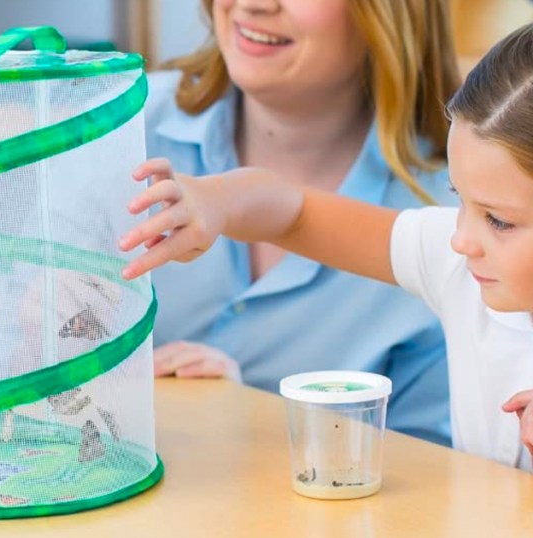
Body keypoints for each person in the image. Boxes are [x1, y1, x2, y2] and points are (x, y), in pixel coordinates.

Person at [120, 23, 533, 470]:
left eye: (499, 220)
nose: (462, 238)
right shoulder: (450, 264)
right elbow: (296, 212)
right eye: (459, 200)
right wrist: (217, 200)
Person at [145, 0, 458, 445]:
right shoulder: (117, 124)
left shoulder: (459, 226)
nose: (254, 4)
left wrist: (247, 420)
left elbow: (431, 487)